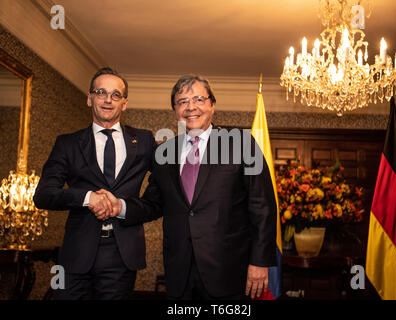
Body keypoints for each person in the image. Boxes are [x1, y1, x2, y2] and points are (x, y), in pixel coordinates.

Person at [97, 74, 277, 300]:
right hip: (179, 273)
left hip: (230, 271)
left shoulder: (242, 144)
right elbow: (153, 204)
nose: (191, 107)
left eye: (198, 99)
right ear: (175, 110)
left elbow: (263, 207)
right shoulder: (164, 153)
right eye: (182, 102)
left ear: (212, 104)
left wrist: (260, 262)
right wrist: (119, 207)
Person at [33, 67, 155, 300]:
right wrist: (88, 198)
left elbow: (166, 186)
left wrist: (125, 207)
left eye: (115, 94)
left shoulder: (145, 141)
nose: (108, 100)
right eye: (101, 92)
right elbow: (44, 195)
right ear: (89, 99)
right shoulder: (67, 143)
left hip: (122, 255)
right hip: (76, 253)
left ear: (125, 103)